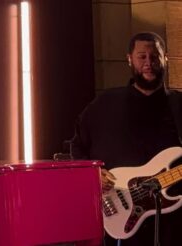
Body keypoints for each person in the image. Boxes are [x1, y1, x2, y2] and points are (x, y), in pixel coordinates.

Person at [72, 32, 182, 245]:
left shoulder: (178, 105)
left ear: (165, 58)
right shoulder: (104, 104)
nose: (148, 63)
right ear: (129, 59)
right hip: (120, 212)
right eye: (142, 57)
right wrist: (93, 174)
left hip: (174, 220)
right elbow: (77, 146)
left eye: (155, 56)